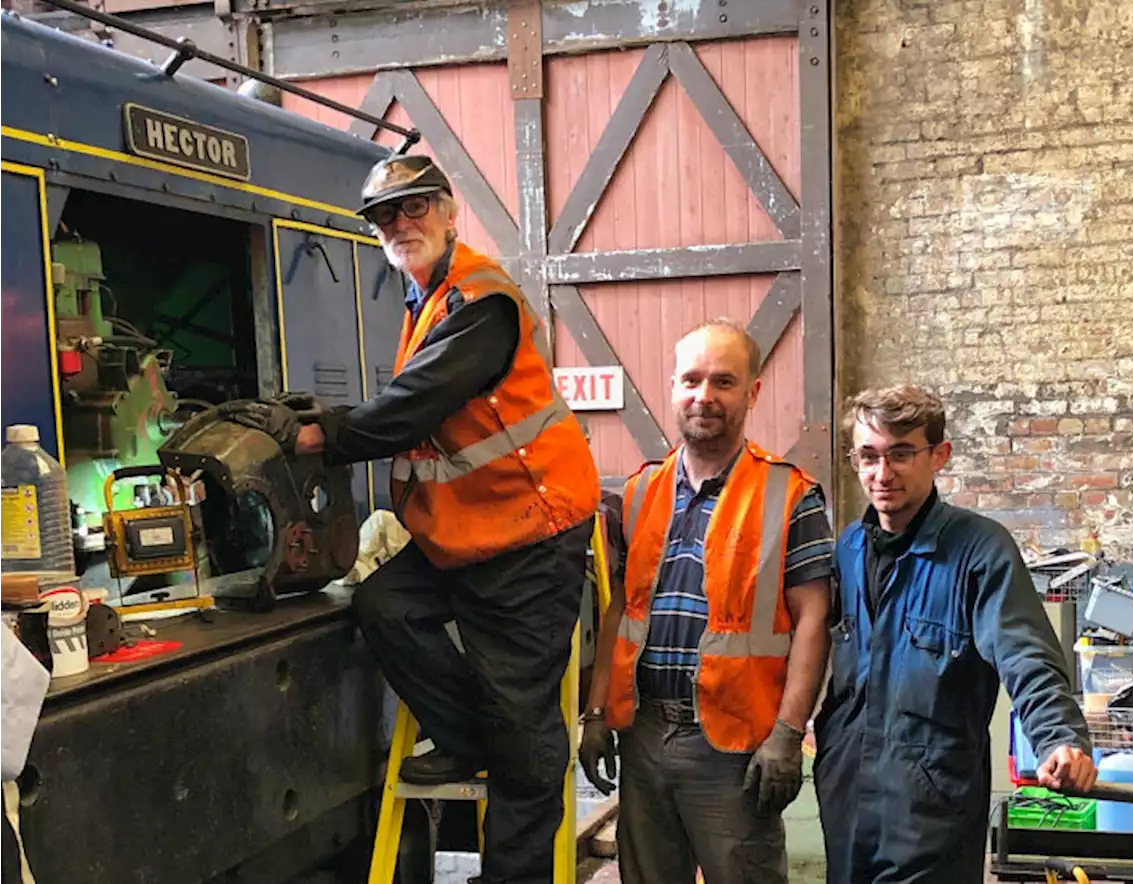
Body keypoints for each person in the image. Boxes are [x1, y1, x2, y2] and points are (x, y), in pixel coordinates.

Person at [223, 153, 600, 884]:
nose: (401, 224)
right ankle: (465, 736)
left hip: (529, 536)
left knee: (524, 747)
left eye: (415, 208)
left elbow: (412, 408)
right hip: (465, 533)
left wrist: (317, 434)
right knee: (384, 603)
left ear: (450, 211)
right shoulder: (425, 299)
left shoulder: (478, 301)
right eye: (385, 216)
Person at [578, 320, 833, 884]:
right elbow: (620, 608)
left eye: (723, 382)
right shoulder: (641, 491)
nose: (704, 396)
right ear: (672, 387)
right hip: (643, 735)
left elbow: (814, 619)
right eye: (691, 380)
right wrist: (597, 712)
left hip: (734, 749)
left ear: (752, 392)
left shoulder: (790, 495)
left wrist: (789, 734)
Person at [814, 384, 1096, 884]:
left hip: (932, 810)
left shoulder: (979, 552)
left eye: (901, 454)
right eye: (869, 456)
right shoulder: (849, 551)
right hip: (848, 800)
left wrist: (1059, 737)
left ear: (938, 455)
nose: (882, 474)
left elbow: (1025, 654)